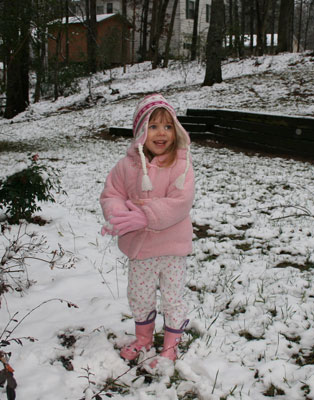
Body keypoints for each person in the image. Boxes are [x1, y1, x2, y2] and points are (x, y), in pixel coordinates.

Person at [100, 94, 194, 368]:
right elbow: (112, 194)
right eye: (153, 127)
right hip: (141, 250)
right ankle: (143, 339)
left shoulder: (181, 164)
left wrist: (146, 215)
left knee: (172, 297)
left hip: (172, 248)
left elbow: (181, 201)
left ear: (176, 130)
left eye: (167, 126)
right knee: (140, 295)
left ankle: (171, 345)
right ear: (140, 131)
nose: (161, 133)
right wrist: (120, 215)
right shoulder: (126, 166)